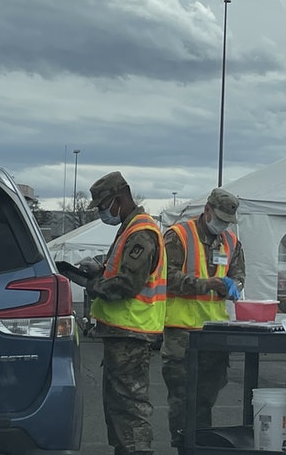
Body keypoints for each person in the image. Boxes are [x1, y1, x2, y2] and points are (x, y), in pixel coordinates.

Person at [72, 171, 166, 455]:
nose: (102, 212)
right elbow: (122, 274)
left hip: (133, 334)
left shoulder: (141, 232)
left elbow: (127, 284)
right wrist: (98, 271)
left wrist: (92, 284)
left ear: (118, 199)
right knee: (119, 409)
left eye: (102, 206)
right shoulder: (129, 228)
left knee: (130, 410)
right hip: (124, 335)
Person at [161, 188, 245, 454]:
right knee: (184, 401)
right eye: (219, 218)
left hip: (215, 334)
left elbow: (239, 275)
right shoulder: (178, 236)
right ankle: (185, 447)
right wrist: (204, 284)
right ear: (207, 210)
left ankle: (202, 446)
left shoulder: (231, 242)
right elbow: (164, 277)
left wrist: (234, 286)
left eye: (227, 221)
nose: (222, 225)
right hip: (182, 334)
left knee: (205, 400)